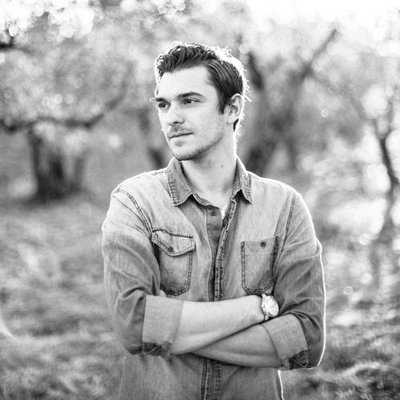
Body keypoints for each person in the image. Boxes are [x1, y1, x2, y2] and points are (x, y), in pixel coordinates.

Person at [102, 43, 325, 400]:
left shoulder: (285, 207)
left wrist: (171, 332)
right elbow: (133, 325)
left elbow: (307, 339)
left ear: (232, 108)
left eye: (189, 101)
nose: (172, 118)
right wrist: (258, 308)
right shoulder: (134, 202)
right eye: (163, 104)